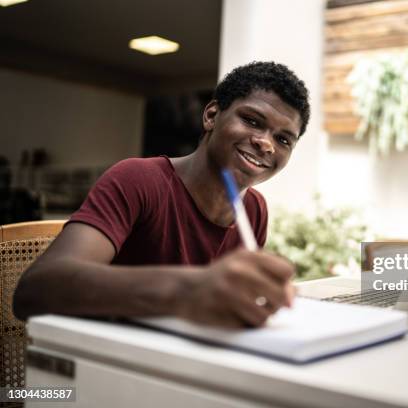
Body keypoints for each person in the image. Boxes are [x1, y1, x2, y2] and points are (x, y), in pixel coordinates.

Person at [13, 61, 311, 328]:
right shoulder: (139, 180)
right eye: (252, 121)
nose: (266, 143)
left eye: (283, 139)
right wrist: (189, 289)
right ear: (211, 115)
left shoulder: (255, 209)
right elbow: (35, 291)